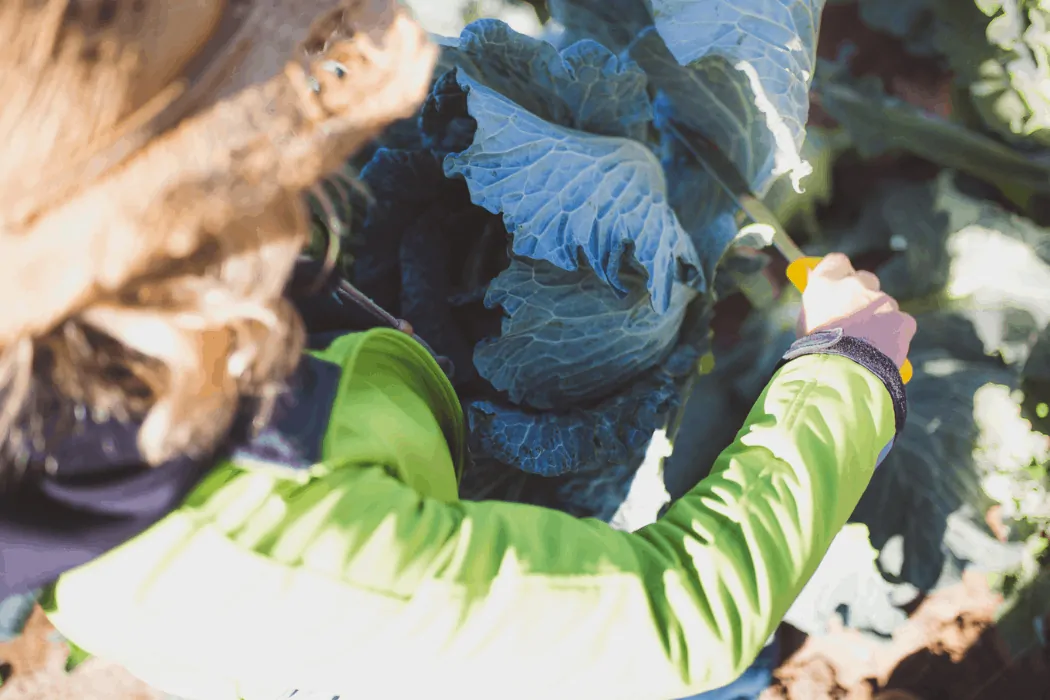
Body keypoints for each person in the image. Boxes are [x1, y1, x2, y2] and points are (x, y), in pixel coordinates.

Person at [0, 1, 917, 699]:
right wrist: (849, 369)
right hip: (410, 626)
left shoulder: (59, 249)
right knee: (705, 672)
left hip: (383, 459)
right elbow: (681, 610)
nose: (303, 192)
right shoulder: (253, 552)